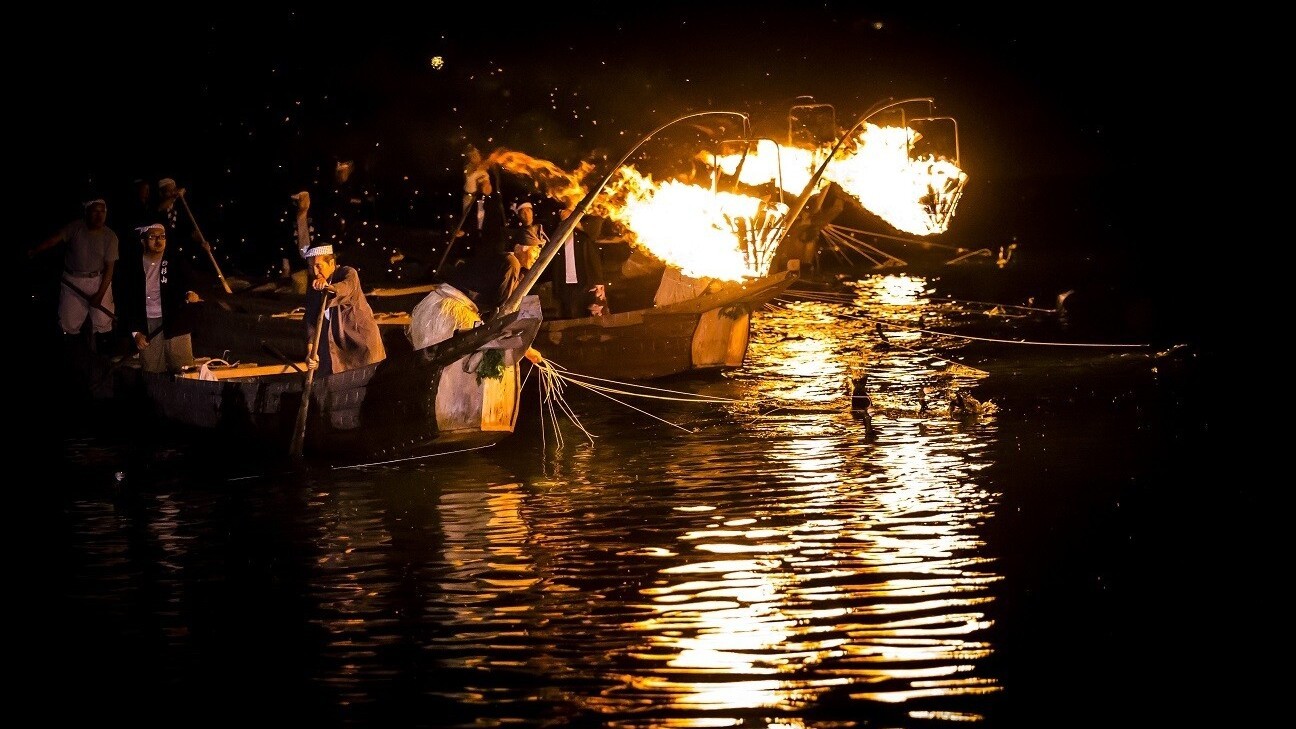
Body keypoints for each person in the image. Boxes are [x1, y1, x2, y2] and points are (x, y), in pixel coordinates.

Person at [408, 233, 543, 364]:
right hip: (451, 312)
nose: (538, 256)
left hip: (441, 305)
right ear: (518, 247)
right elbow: (504, 309)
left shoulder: (504, 261)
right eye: (535, 250)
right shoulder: (511, 263)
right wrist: (525, 347)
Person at [28, 198, 120, 351]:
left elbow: (110, 269)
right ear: (87, 212)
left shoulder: (110, 236)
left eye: (102, 212)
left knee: (104, 320)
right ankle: (70, 353)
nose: (99, 216)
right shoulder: (76, 227)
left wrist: (99, 295)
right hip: (73, 281)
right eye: (95, 211)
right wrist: (34, 251)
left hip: (98, 279)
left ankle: (103, 354)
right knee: (68, 322)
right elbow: (53, 240)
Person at [115, 223, 203, 373]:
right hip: (147, 325)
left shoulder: (176, 261)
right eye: (153, 237)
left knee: (183, 369)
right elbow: (125, 300)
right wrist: (136, 333)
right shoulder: (132, 267)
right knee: (151, 370)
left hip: (175, 321)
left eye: (162, 237)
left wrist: (190, 293)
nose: (158, 240)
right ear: (143, 241)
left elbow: (190, 282)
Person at [301, 242, 386, 376]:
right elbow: (311, 320)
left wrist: (328, 287)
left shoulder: (348, 273)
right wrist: (311, 353)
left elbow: (345, 288)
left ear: (331, 263)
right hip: (334, 347)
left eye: (318, 266)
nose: (315, 272)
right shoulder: (314, 285)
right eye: (311, 267)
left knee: (367, 381)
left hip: (359, 346)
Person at [547, 202, 611, 318]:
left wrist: (572, 219)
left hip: (585, 283)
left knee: (586, 317)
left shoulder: (588, 220)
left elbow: (594, 230)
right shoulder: (555, 221)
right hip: (565, 285)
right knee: (569, 316)